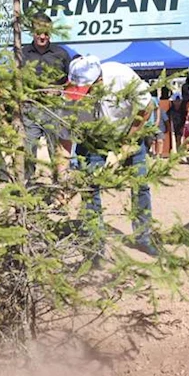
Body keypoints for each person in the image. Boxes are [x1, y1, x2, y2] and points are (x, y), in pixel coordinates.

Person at [60, 55, 156, 255]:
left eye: (86, 89)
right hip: (93, 141)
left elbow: (146, 108)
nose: (82, 95)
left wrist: (125, 146)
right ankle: (96, 243)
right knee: (90, 188)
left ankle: (143, 236)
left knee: (140, 185)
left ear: (99, 81)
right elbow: (65, 138)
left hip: (129, 133)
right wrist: (62, 175)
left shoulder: (121, 75)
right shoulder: (70, 95)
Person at [22, 13, 74, 181]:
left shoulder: (61, 53)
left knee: (56, 150)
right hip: (31, 108)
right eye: (39, 33)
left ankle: (59, 186)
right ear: (32, 32)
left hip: (55, 108)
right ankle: (27, 187)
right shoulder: (22, 53)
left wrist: (58, 89)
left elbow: (71, 81)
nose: (42, 37)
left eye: (46, 33)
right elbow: (15, 81)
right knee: (28, 150)